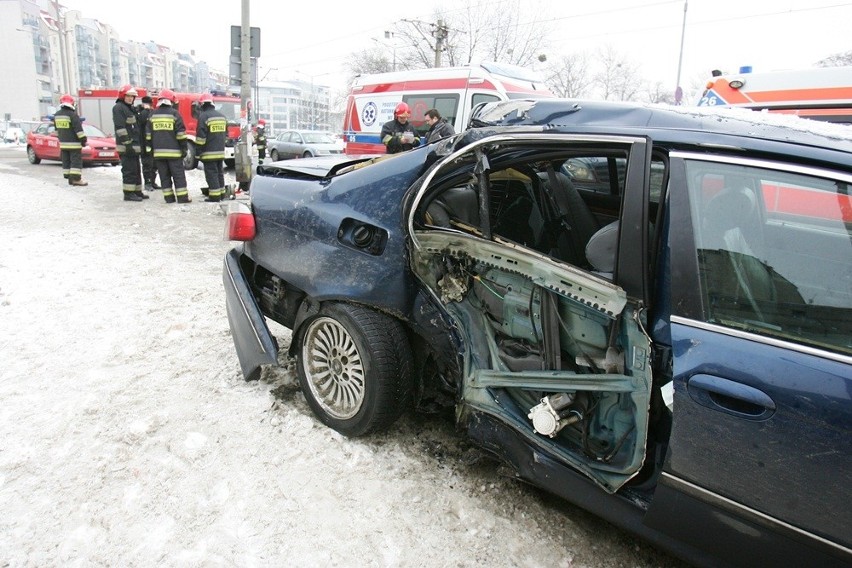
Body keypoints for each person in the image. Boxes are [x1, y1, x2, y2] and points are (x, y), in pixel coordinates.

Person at [146, 89, 191, 204]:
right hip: (174, 153)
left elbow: (148, 135)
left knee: (164, 176)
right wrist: (184, 149)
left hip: (159, 153)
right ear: (171, 101)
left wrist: (151, 150)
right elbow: (181, 134)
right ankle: (182, 198)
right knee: (178, 176)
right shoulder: (175, 114)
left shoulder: (153, 115)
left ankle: (169, 198)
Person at [112, 84, 148, 202]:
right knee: (129, 170)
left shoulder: (130, 108)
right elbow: (121, 128)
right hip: (126, 146)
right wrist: (127, 144)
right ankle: (128, 193)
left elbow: (136, 126)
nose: (130, 99)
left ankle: (137, 191)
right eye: (128, 96)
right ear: (123, 96)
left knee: (136, 170)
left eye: (132, 97)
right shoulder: (118, 108)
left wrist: (143, 112)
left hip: (134, 146)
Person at [195, 92, 228, 202]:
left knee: (211, 174)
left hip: (208, 152)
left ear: (202, 104)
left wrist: (198, 152)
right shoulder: (222, 116)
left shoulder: (203, 116)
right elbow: (226, 135)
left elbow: (201, 137)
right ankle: (222, 194)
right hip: (220, 151)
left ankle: (214, 196)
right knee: (219, 173)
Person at [53, 94, 88, 187]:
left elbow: (56, 131)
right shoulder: (72, 115)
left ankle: (69, 178)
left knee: (66, 161)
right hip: (74, 144)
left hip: (63, 144)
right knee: (75, 161)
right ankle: (76, 179)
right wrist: (83, 140)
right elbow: (78, 130)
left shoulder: (56, 115)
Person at [137, 95, 159, 191]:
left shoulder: (151, 112)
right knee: (147, 164)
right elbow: (142, 125)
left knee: (154, 164)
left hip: (152, 142)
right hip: (145, 142)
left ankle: (152, 182)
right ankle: (148, 183)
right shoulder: (142, 113)